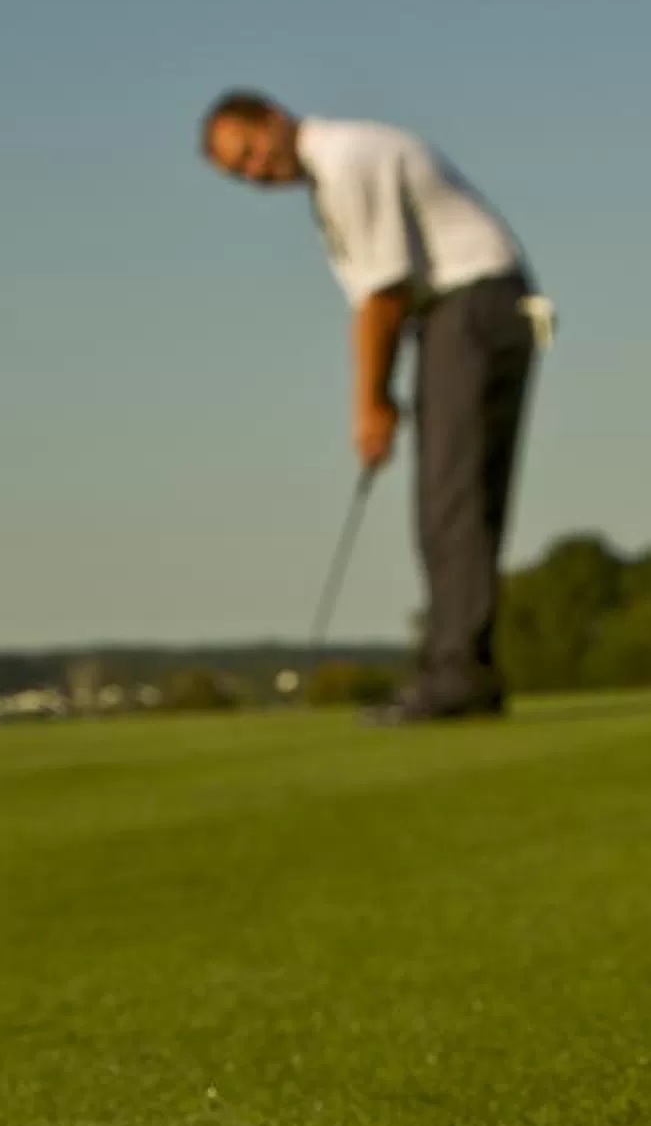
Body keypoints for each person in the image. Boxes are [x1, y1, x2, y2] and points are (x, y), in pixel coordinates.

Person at [199, 89, 549, 723]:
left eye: (249, 153)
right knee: (454, 502)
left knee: (451, 503)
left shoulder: (347, 160)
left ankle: (457, 675)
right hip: (469, 313)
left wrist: (370, 406)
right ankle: (460, 669)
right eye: (238, 173)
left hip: (472, 309)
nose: (253, 174)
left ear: (274, 120)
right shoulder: (334, 171)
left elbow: (382, 297)